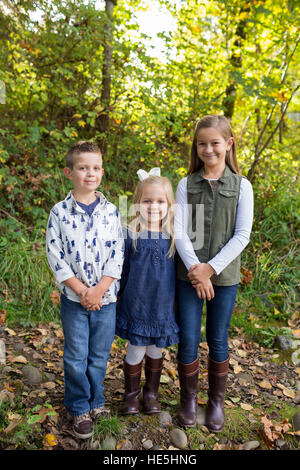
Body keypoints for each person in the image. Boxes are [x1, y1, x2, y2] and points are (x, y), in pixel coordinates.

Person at [174, 115, 254, 431]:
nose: (208, 149)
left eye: (215, 143)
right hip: (188, 276)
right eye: (202, 144)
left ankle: (216, 403)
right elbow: (179, 230)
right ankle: (189, 400)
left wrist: (210, 269)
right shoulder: (186, 184)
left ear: (228, 144)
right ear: (196, 147)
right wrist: (196, 270)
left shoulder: (241, 186)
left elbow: (242, 234)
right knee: (189, 337)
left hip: (224, 278)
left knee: (217, 337)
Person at [46, 141, 124, 439]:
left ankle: (97, 400)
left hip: (106, 299)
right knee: (76, 354)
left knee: (99, 354)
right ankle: (79, 405)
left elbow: (118, 253)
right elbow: (55, 255)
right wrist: (81, 290)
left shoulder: (112, 211)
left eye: (94, 168)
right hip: (74, 300)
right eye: (82, 168)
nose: (89, 174)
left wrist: (100, 288)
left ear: (101, 172)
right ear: (69, 172)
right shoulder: (59, 212)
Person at [116, 168, 179, 415]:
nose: (153, 206)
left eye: (160, 201)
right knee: (135, 349)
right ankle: (131, 396)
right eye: (147, 201)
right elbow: (122, 270)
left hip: (162, 307)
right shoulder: (131, 234)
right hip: (137, 304)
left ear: (169, 204)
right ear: (137, 204)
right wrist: (118, 296)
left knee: (155, 350)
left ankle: (151, 393)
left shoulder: (174, 236)